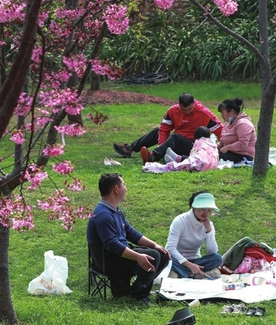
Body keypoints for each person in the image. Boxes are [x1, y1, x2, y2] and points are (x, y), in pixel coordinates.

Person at [86, 173, 170, 304]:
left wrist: (155, 245)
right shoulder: (103, 215)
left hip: (120, 256)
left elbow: (131, 233)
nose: (126, 188)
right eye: (124, 184)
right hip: (109, 262)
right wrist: (138, 256)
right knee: (153, 256)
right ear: (116, 189)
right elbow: (112, 244)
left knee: (161, 254)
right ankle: (138, 295)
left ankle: (130, 291)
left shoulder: (116, 211)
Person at [112, 93, 222, 164]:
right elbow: (164, 129)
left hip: (193, 146)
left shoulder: (204, 113)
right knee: (157, 131)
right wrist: (162, 145)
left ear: (194, 103)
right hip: (176, 141)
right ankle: (129, 149)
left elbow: (220, 129)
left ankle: (153, 156)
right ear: (179, 105)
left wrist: (223, 147)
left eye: (190, 109)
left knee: (175, 137)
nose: (187, 112)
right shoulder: (172, 111)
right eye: (184, 110)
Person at [165, 192, 223, 279]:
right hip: (177, 259)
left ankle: (183, 273)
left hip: (196, 260)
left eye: (209, 210)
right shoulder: (180, 221)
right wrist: (189, 265)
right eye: (202, 208)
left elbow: (212, 252)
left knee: (217, 258)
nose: (205, 213)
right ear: (194, 207)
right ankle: (192, 274)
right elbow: (170, 248)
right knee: (164, 258)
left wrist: (209, 231)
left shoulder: (209, 225)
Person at [141, 126, 219, 174]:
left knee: (174, 167)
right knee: (179, 166)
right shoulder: (213, 143)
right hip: (211, 164)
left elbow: (194, 153)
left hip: (199, 162)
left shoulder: (199, 142)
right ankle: (175, 159)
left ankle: (150, 166)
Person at [217, 98, 256, 164]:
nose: (222, 116)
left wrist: (227, 148)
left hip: (242, 156)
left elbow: (243, 144)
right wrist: (216, 146)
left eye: (223, 113)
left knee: (215, 157)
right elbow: (222, 140)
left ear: (231, 112)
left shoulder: (243, 124)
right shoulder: (228, 124)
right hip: (230, 153)